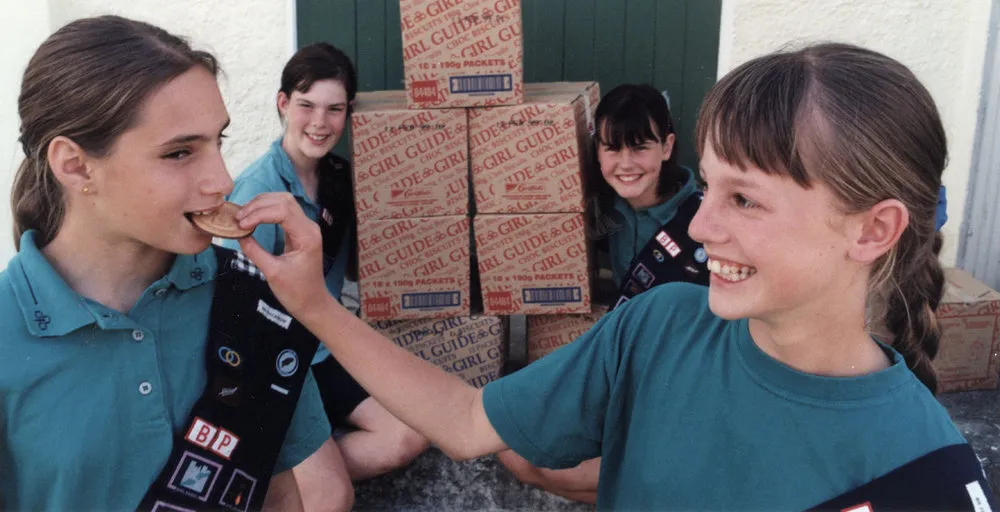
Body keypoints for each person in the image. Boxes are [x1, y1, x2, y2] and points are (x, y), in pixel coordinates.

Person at [236, 43, 994, 509]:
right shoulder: (662, 325)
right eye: (712, 186)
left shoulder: (924, 473)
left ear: (874, 230)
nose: (698, 227)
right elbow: (469, 423)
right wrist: (316, 307)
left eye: (744, 200)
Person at [0, 16, 350, 511]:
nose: (223, 181)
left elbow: (275, 494)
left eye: (218, 142)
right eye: (180, 152)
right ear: (75, 165)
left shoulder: (254, 306)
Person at [222, 42, 428, 490]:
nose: (319, 123)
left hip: (326, 346)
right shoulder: (256, 191)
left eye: (334, 109)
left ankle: (279, 481)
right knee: (331, 496)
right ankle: (290, 476)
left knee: (408, 434)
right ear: (283, 104)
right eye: (306, 106)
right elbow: (233, 311)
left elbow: (352, 271)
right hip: (276, 356)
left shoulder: (340, 175)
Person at [496, 83, 709, 504]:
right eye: (612, 149)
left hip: (684, 391)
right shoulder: (607, 214)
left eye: (640, 148)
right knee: (513, 454)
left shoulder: (706, 221)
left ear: (667, 147)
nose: (625, 164)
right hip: (625, 375)